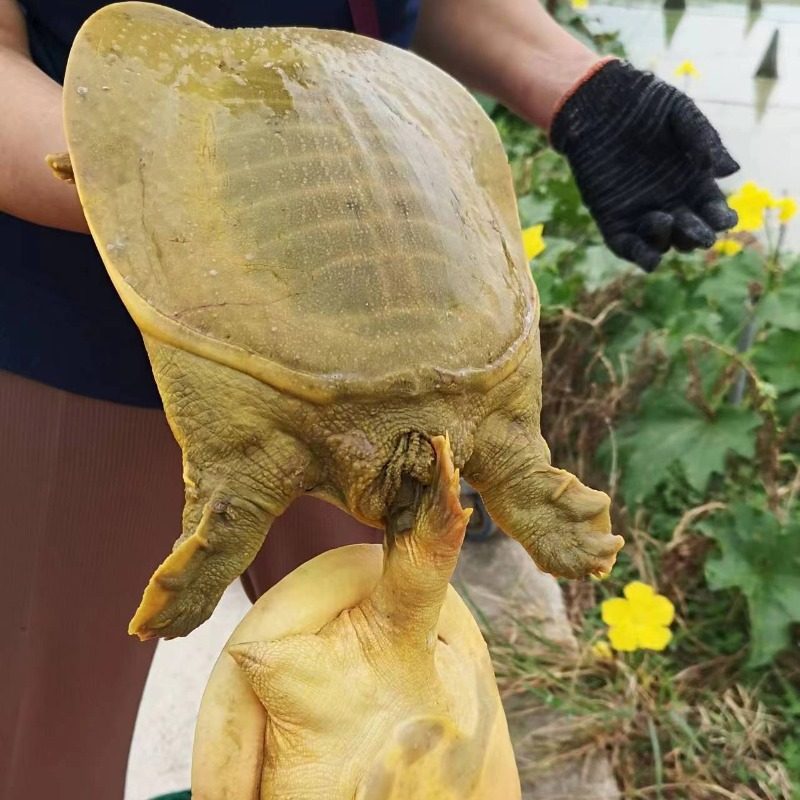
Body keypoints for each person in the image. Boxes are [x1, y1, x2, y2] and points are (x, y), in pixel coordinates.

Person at [0, 0, 738, 797]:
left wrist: (577, 88)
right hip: (77, 329)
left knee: (398, 724)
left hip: (397, 281)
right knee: (41, 748)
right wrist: (190, 178)